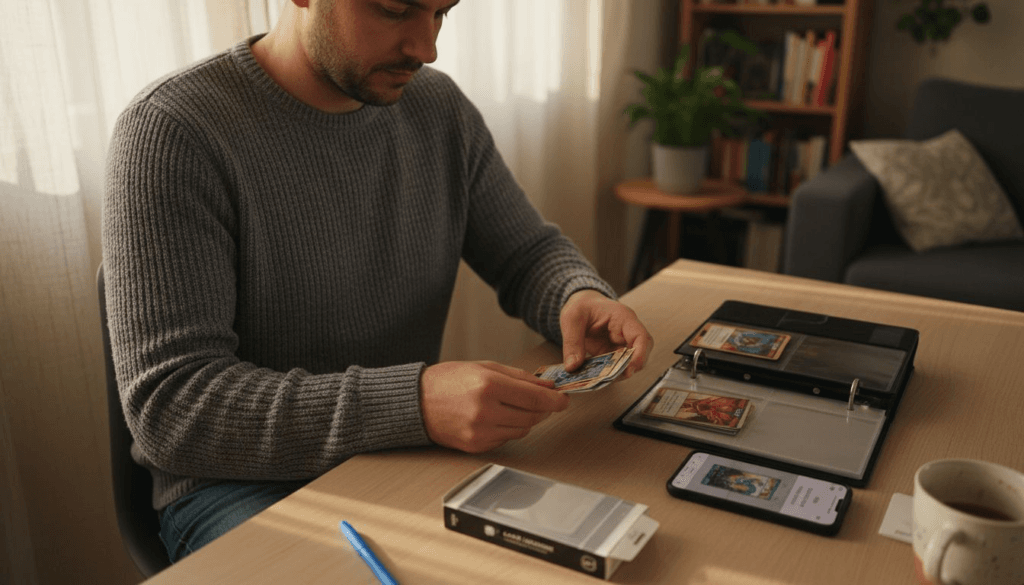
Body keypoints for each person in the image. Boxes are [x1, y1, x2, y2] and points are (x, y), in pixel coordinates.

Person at [102, 0, 653, 563]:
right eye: (395, 10)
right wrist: (414, 404)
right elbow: (172, 407)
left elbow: (525, 251)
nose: (427, 48)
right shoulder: (172, 130)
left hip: (405, 453)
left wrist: (575, 293)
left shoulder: (439, 108)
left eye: (441, 13)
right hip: (239, 486)